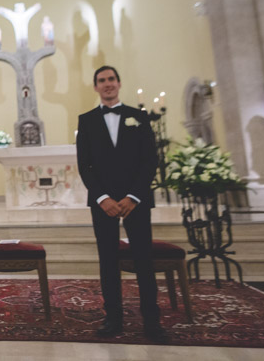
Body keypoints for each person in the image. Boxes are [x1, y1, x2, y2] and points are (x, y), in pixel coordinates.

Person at [75, 65, 167, 342]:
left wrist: (133, 197)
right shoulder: (87, 119)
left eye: (111, 79)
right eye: (101, 81)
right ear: (95, 87)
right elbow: (85, 164)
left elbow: (150, 160)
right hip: (103, 203)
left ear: (119, 83)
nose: (107, 84)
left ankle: (151, 320)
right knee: (108, 260)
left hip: (135, 201)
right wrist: (103, 198)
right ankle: (112, 317)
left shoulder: (138, 117)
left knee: (143, 259)